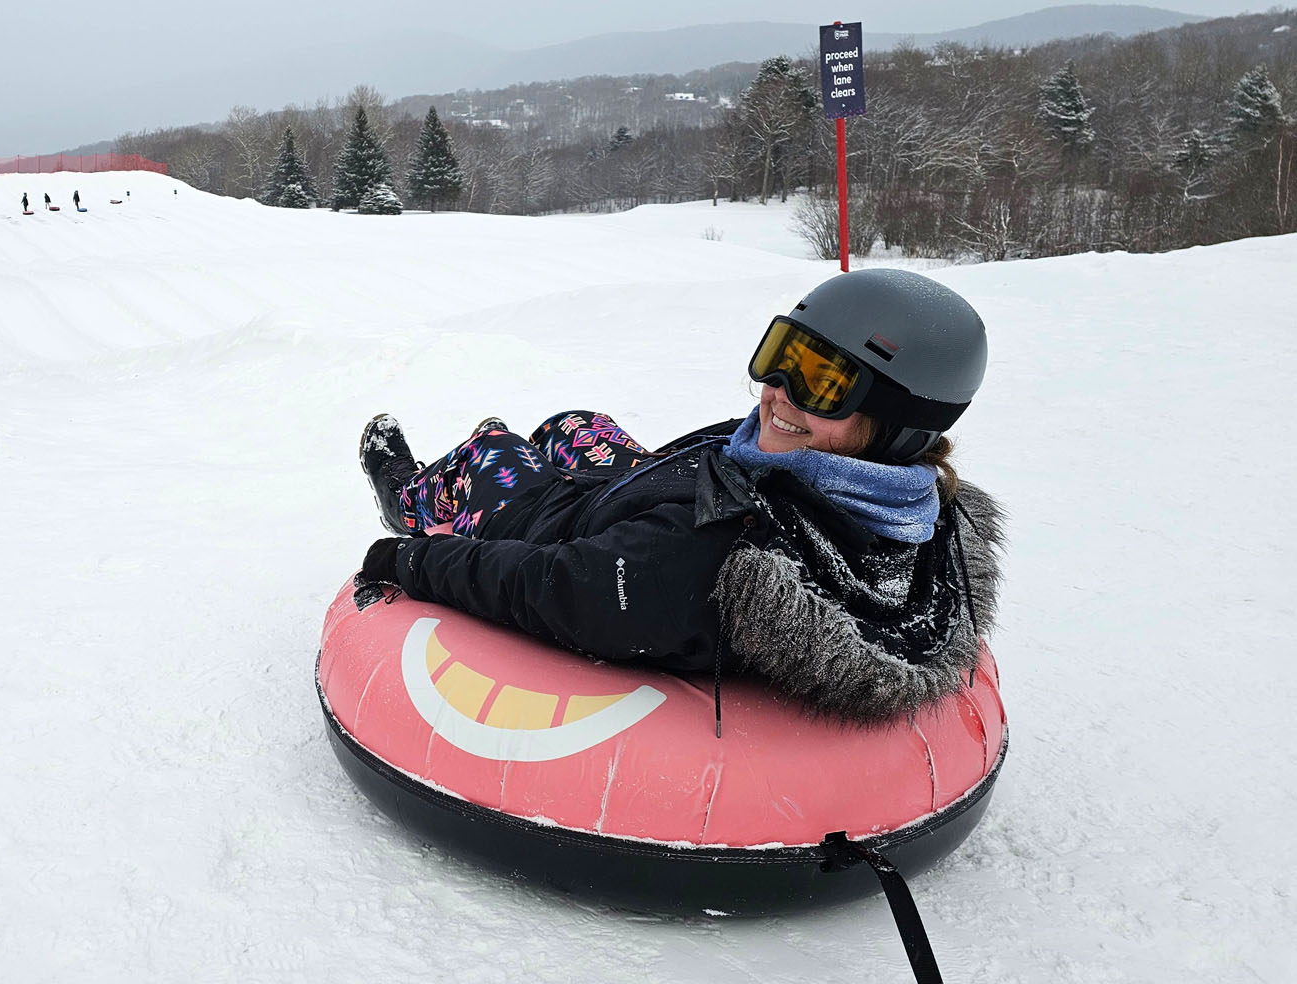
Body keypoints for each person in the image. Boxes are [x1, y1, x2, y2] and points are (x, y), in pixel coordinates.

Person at [354, 269, 1004, 723]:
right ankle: (548, 448)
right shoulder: (898, 506)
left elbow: (552, 586)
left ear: (893, 422)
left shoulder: (709, 558)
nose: (777, 392)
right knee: (573, 425)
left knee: (493, 448)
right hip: (644, 491)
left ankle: (408, 497)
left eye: (821, 383)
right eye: (782, 356)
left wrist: (409, 562)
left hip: (554, 524)